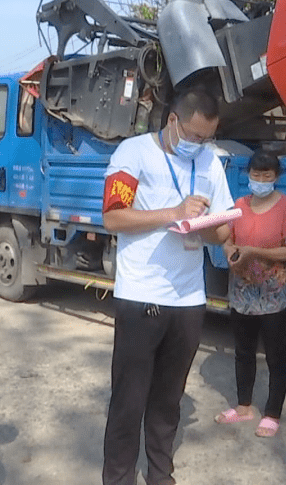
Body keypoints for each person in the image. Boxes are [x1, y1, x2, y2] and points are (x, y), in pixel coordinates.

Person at [101, 89, 235, 485]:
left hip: (189, 300)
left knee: (168, 402)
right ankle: (119, 479)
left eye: (207, 138)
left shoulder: (211, 162)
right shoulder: (134, 153)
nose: (200, 145)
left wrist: (207, 225)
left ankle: (161, 476)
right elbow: (112, 218)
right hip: (141, 297)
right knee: (129, 403)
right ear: (172, 121)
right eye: (194, 136)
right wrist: (173, 214)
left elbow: (223, 230)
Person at [214, 150, 286, 438]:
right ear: (248, 175)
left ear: (276, 177)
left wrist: (254, 251)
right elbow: (228, 238)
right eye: (255, 175)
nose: (260, 180)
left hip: (273, 295)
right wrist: (230, 253)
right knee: (243, 351)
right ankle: (243, 407)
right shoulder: (239, 204)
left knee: (276, 354)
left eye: (266, 175)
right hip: (242, 293)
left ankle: (273, 412)